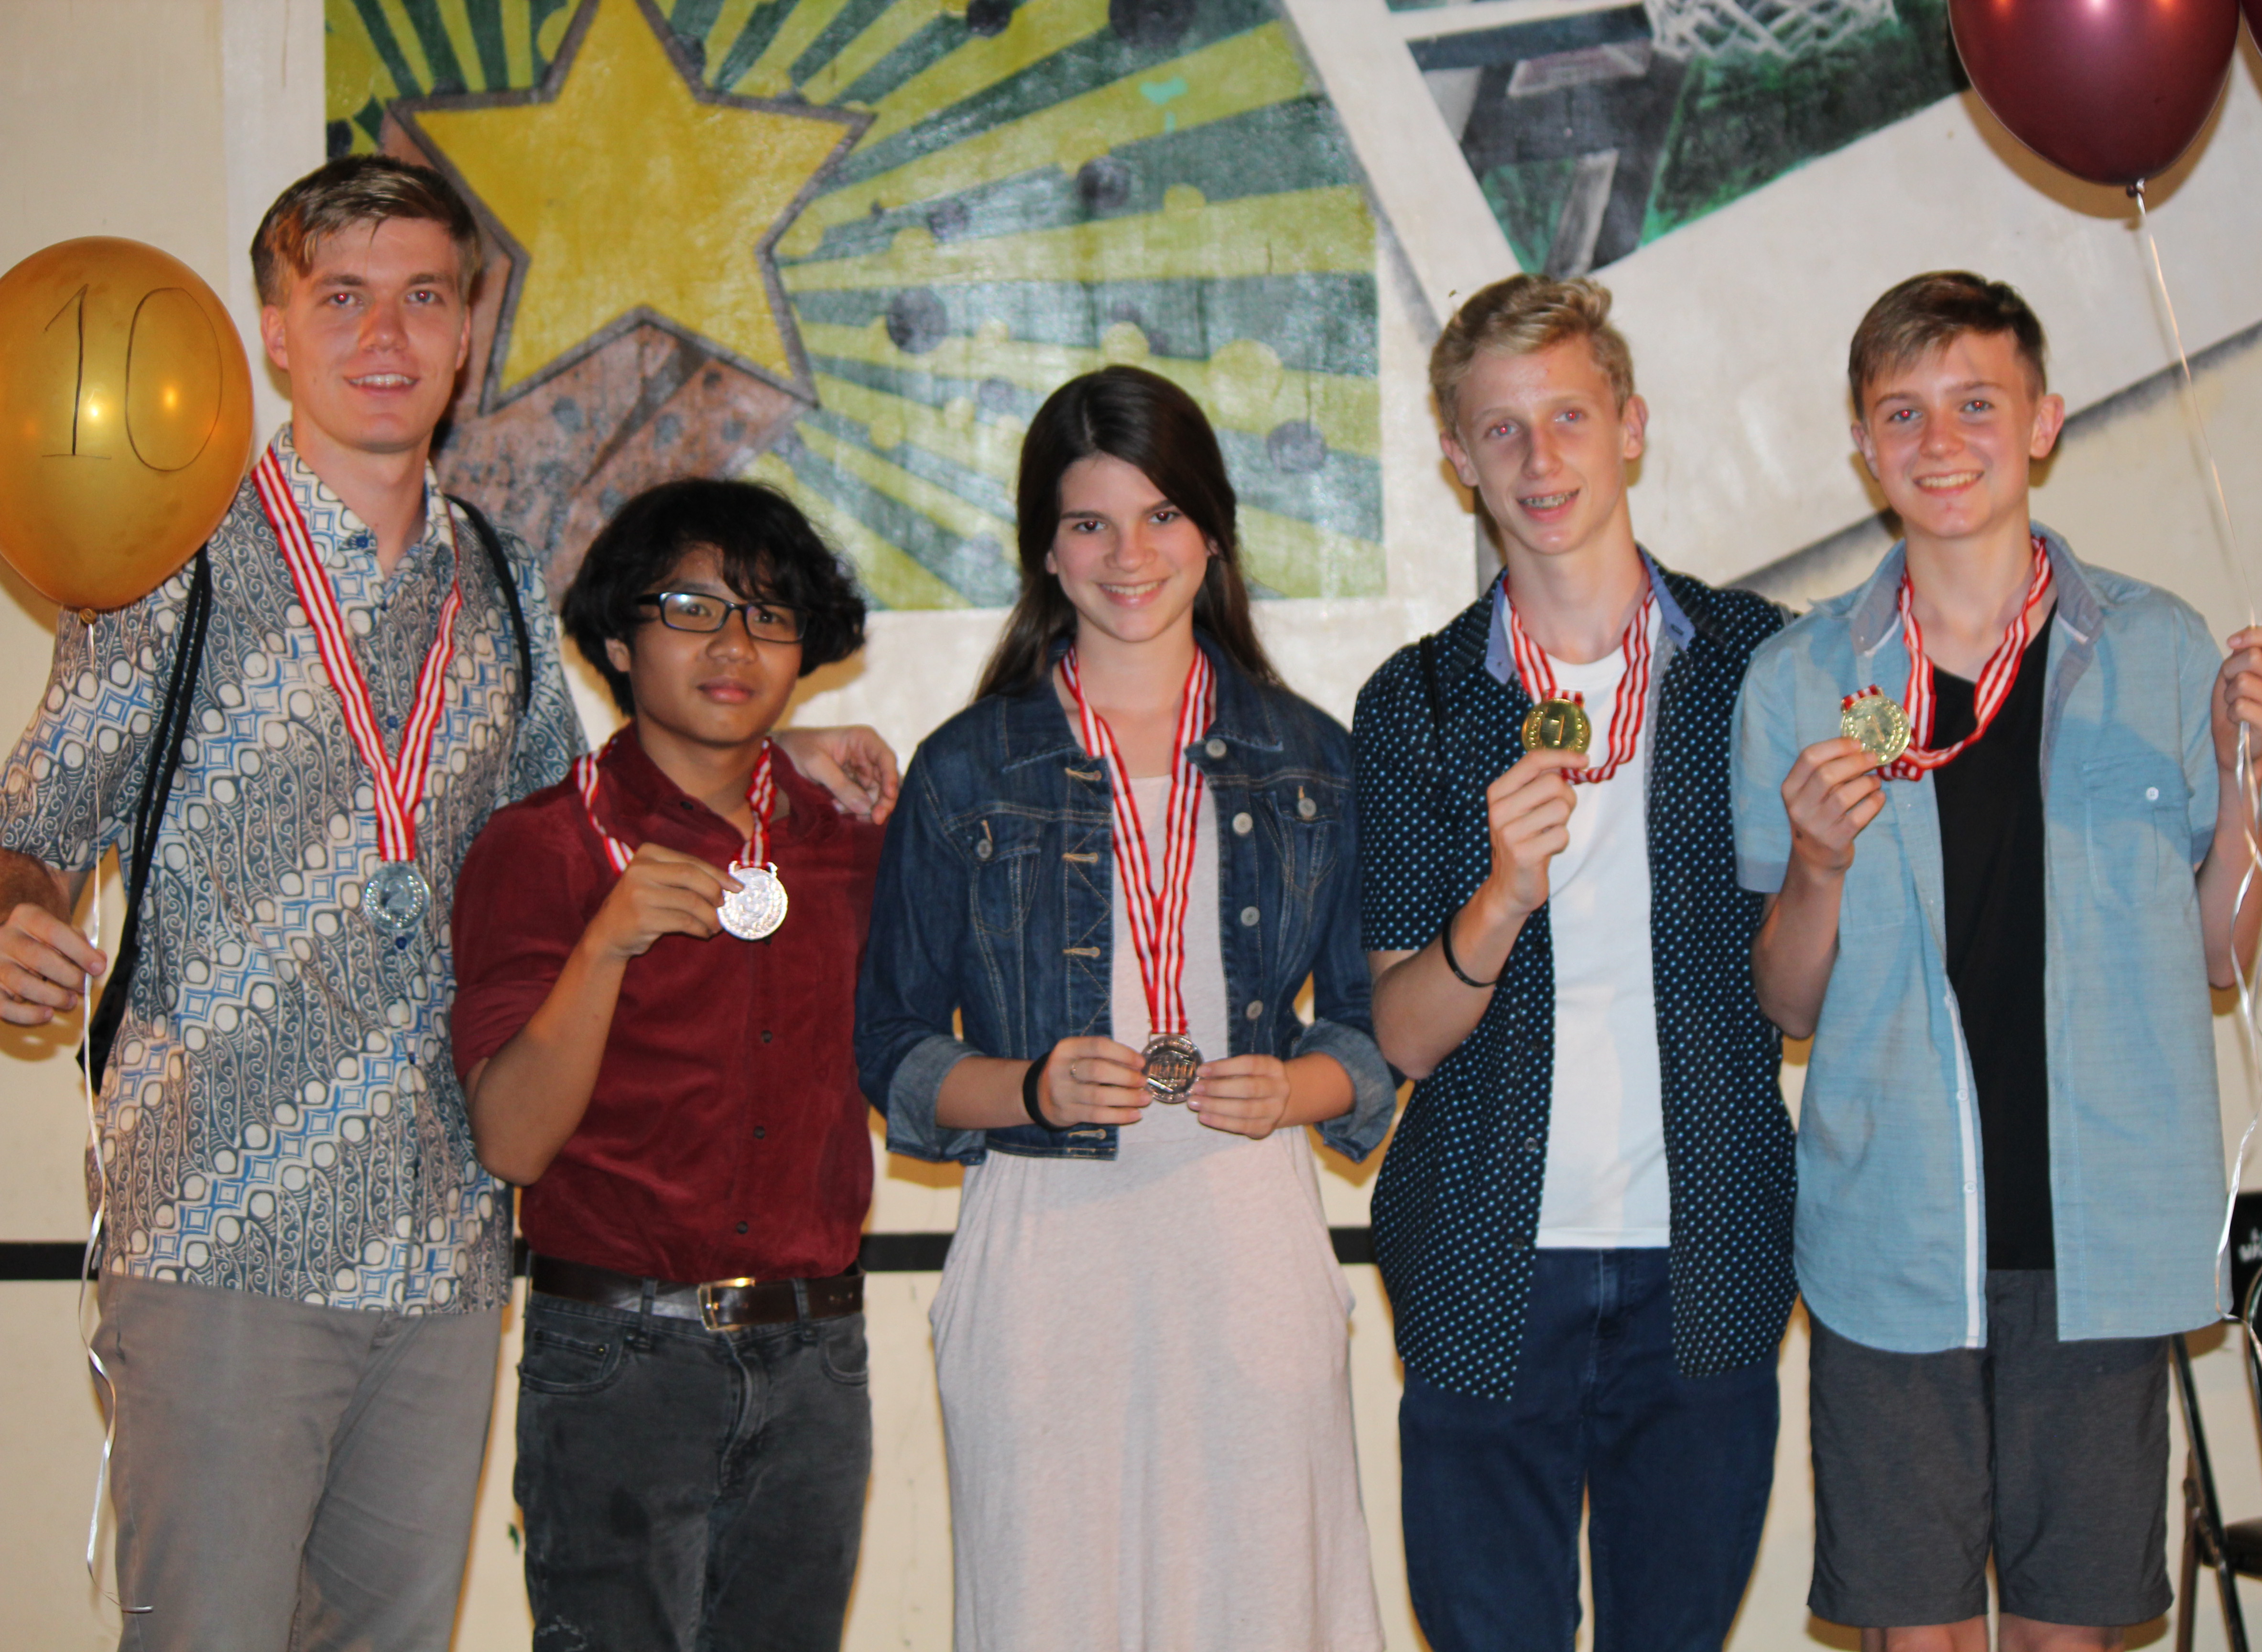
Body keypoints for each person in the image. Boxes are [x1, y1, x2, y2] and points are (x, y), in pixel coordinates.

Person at [0, 155, 893, 1648]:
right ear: (275, 328)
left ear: (469, 330)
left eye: (424, 297)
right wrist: (12, 914)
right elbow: (31, 828)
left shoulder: (497, 576)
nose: (385, 337)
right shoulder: (171, 557)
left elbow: (577, 813)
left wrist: (760, 746)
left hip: (447, 1239)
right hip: (224, 1225)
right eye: (342, 298)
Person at [1731, 272, 2262, 1652]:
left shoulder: (2160, 650)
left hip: (2102, 1241)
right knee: (1916, 1635)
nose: (1941, 442)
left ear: (2043, 423)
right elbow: (1786, 1002)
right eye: (1902, 412)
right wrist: (1817, 864)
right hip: (1892, 1241)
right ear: (1863, 447)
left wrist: (2243, 775)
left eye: (1976, 404)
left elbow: (2225, 956)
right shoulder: (1799, 681)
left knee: (2069, 1636)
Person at [853, 364, 1394, 1652]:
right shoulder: (965, 768)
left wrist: (1296, 1087)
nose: (1129, 555)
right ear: (1047, 550)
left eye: (1161, 515)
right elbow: (892, 1049)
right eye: (1090, 523)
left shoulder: (1313, 757)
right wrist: (1031, 1089)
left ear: (1211, 533)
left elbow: (1373, 1033)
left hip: (1250, 1247)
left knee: (1263, 1615)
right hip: (1044, 1267)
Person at [1352, 274, 1796, 1652]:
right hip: (1485, 1260)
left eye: (1568, 418)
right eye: (1501, 429)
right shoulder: (1419, 701)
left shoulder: (1757, 663)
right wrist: (1499, 898)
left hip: (1707, 1258)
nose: (1539, 460)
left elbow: (1804, 983)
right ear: (1456, 457)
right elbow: (1403, 1035)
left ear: (1631, 428)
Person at [449, 478, 880, 1649]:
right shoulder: (541, 847)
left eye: (769, 614)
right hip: (620, 1358)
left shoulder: (850, 845)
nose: (734, 646)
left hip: (818, 1355)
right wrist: (606, 943)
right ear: (617, 641)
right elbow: (511, 1142)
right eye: (692, 608)